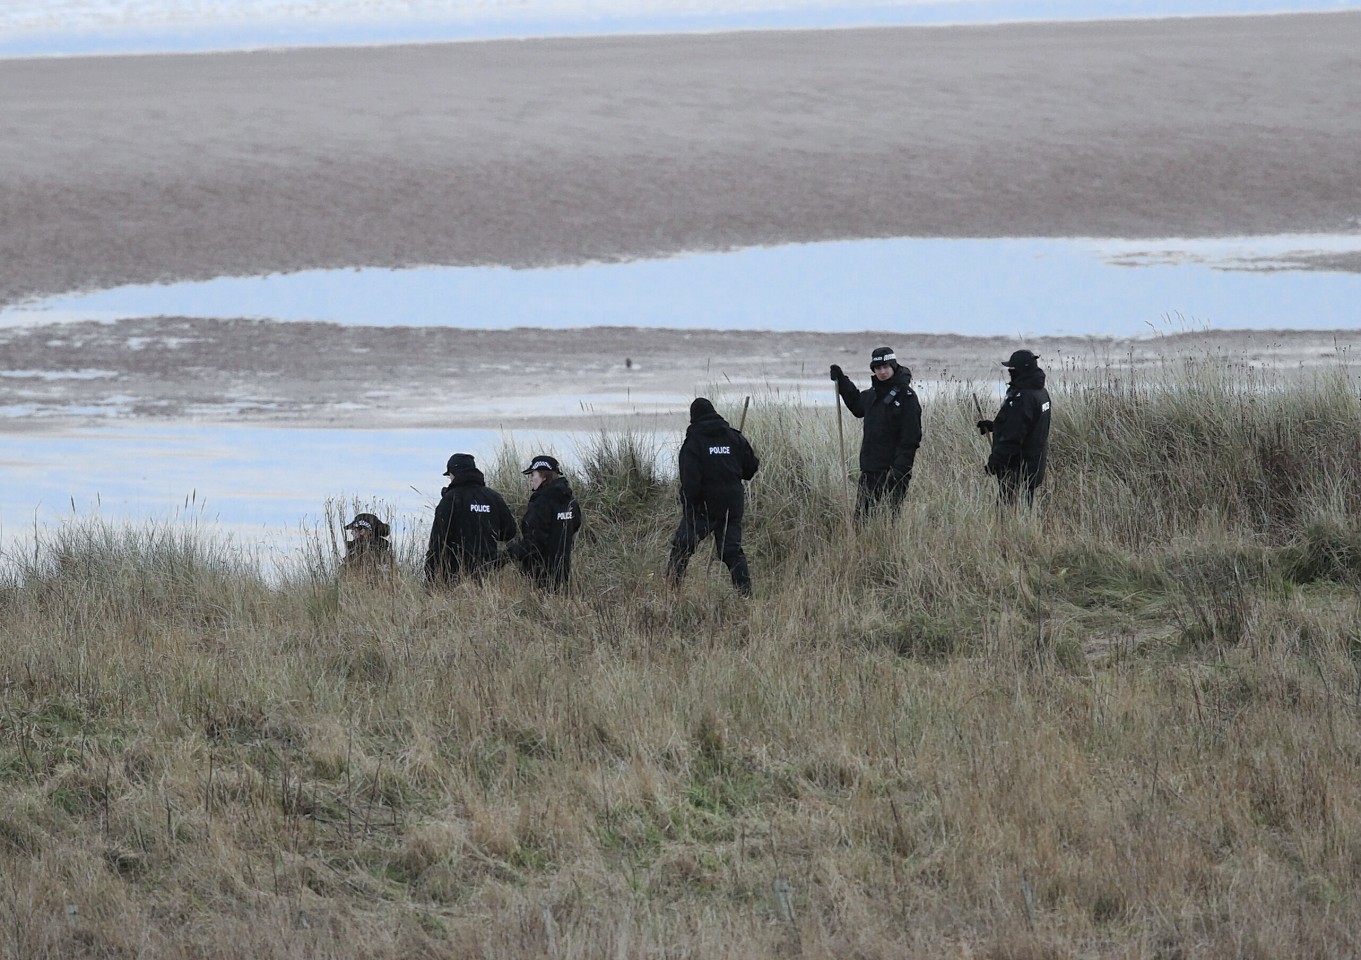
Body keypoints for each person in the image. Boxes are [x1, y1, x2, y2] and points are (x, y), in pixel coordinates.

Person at [666, 397, 759, 597]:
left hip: (703, 508)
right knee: (732, 553)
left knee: (682, 548)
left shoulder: (693, 443)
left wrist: (689, 506)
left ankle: (670, 593)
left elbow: (690, 481)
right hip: (731, 506)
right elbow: (750, 469)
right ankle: (746, 596)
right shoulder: (735, 438)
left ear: (693, 418)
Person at [830, 346, 923, 518]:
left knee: (889, 519)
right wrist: (842, 382)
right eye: (878, 368)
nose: (882, 372)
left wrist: (899, 470)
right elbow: (857, 405)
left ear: (893, 367)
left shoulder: (907, 397)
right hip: (870, 469)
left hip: (894, 471)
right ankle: (863, 545)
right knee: (862, 519)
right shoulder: (873, 394)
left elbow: (912, 438)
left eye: (886, 367)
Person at [424, 452, 517, 585]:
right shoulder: (493, 497)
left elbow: (437, 542)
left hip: (455, 574)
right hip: (490, 571)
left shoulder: (450, 499)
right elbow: (509, 532)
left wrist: (430, 577)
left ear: (453, 474)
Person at [977, 348, 1052, 506]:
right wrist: (995, 426)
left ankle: (1007, 530)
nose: (1010, 372)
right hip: (1035, 462)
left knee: (1006, 511)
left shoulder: (1023, 397)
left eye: (1012, 369)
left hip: (1017, 467)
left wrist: (995, 462)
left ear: (1021, 370)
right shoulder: (1041, 393)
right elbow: (1028, 426)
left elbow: (1013, 437)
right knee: (1026, 508)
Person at [505, 454, 582, 591]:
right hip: (563, 569)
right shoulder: (570, 501)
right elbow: (575, 525)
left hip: (540, 573)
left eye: (532, 475)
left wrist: (508, 555)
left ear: (544, 476)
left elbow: (534, 541)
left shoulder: (541, 503)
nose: (530, 480)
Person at [341, 512, 393, 582]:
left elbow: (346, 580)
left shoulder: (359, 555)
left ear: (362, 531)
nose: (352, 533)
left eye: (354, 530)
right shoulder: (385, 554)